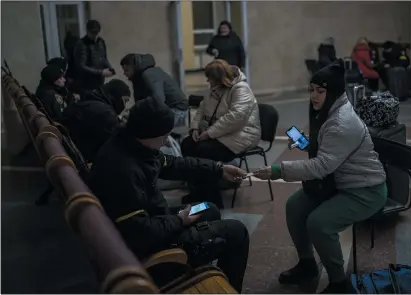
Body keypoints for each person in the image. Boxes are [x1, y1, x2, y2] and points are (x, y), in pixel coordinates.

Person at [88, 98, 250, 292]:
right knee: (237, 232)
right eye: (163, 136)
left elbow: (173, 164)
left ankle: (194, 259)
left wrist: (218, 169)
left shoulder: (135, 146)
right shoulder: (123, 171)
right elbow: (139, 232)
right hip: (157, 242)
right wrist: (180, 220)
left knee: (208, 207)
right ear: (149, 133)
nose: (166, 141)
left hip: (157, 219)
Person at [254, 60, 387, 294]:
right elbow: (327, 150)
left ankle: (339, 283)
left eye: (320, 91)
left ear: (333, 92)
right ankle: (307, 264)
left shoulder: (342, 122)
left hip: (365, 190)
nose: (314, 96)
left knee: (320, 223)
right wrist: (307, 142)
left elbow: (322, 166)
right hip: (338, 181)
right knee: (295, 206)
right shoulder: (328, 111)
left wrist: (278, 171)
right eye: (311, 90)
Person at [182, 59, 261, 163]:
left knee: (204, 150)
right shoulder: (214, 87)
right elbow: (202, 108)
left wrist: (209, 133)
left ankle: (215, 176)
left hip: (242, 134)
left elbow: (235, 117)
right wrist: (195, 128)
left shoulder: (241, 88)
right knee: (187, 144)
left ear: (219, 79)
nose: (208, 81)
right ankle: (195, 176)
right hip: (220, 132)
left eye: (210, 78)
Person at [61, 79, 131, 162]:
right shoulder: (106, 113)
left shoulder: (88, 100)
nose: (124, 106)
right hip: (85, 160)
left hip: (70, 151)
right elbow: (115, 145)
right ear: (115, 96)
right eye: (124, 101)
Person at [120, 53, 189, 128]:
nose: (124, 73)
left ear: (134, 67)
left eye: (126, 70)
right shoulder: (140, 77)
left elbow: (158, 101)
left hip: (177, 110)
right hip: (170, 109)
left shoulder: (149, 74)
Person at [73, 20, 114, 91]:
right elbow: (81, 66)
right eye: (92, 33)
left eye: (97, 33)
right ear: (87, 31)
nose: (95, 36)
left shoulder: (101, 42)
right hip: (86, 83)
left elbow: (104, 58)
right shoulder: (82, 44)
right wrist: (101, 72)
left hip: (99, 81)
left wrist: (110, 68)